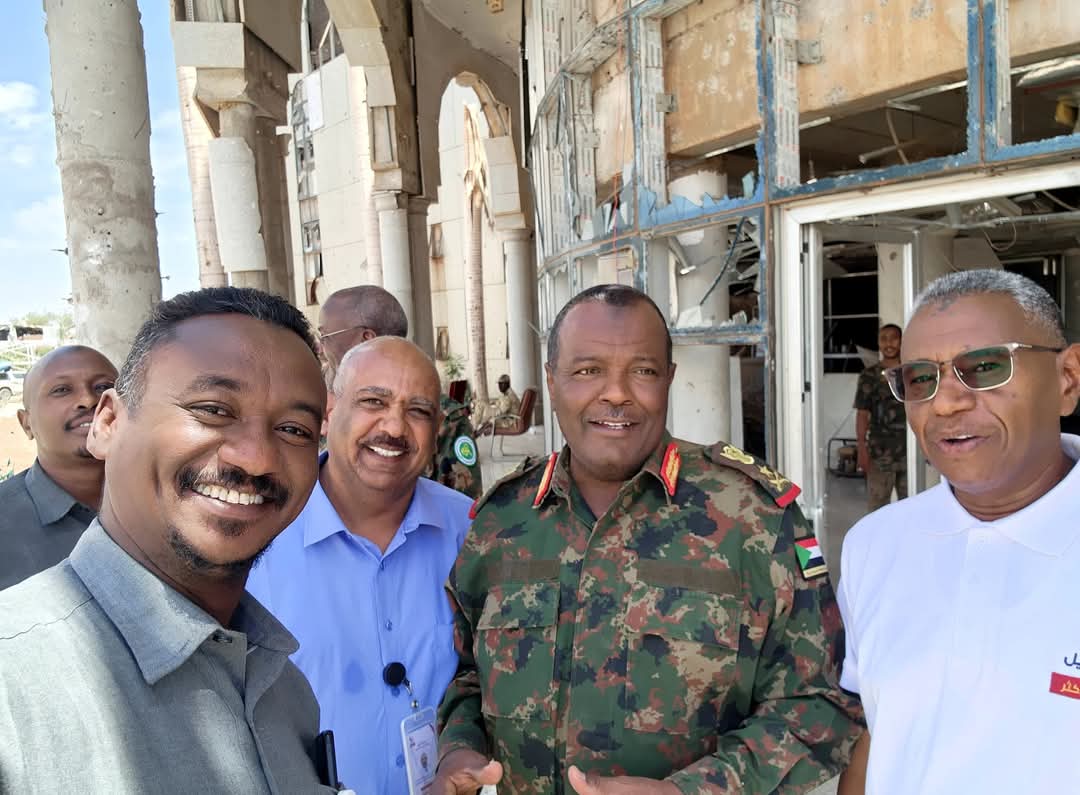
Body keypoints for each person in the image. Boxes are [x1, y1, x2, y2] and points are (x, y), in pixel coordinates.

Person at [434, 284, 863, 795]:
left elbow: (818, 703)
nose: (616, 393)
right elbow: (468, 676)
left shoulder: (753, 518)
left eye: (643, 371)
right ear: (551, 380)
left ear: (669, 379)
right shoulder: (501, 522)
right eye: (587, 371)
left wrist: (691, 791)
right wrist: (458, 748)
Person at [0, 288, 339, 793]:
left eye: (293, 429)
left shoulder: (284, 689)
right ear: (108, 423)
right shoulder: (12, 692)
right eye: (213, 409)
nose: (256, 458)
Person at [837, 269, 1080, 794]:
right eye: (920, 379)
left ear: (1068, 378)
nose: (945, 403)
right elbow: (878, 733)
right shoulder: (874, 545)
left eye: (985, 367)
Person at [247, 336, 472, 794]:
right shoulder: (257, 533)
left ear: (437, 429)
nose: (394, 427)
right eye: (373, 401)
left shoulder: (471, 530)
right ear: (328, 412)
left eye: (418, 411)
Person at [318, 285, 481, 498]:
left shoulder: (449, 418)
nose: (320, 347)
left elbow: (464, 509)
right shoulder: (314, 402)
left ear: (366, 338)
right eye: (371, 402)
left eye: (325, 336)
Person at [0, 345, 117, 588]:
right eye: (62, 390)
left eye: (103, 387)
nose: (88, 400)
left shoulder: (170, 503)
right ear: (26, 423)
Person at [853, 324, 906, 511]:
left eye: (894, 338)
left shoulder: (910, 372)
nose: (889, 343)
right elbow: (862, 414)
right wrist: (861, 448)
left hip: (910, 452)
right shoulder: (869, 375)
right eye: (884, 339)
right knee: (877, 508)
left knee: (914, 507)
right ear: (878, 343)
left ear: (902, 341)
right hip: (880, 453)